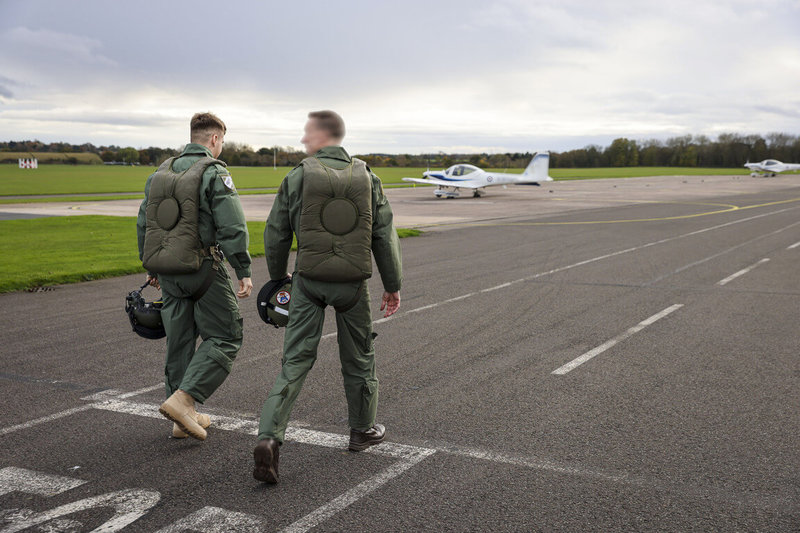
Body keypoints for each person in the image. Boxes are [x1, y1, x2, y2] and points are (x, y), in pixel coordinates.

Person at [254, 110, 402, 484]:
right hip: (353, 284)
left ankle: (270, 436)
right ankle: (362, 430)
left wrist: (277, 279)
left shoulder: (299, 175)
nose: (304, 140)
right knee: (360, 355)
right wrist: (392, 283)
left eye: (308, 133)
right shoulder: (368, 177)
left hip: (308, 281)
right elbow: (383, 235)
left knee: (295, 361)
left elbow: (276, 231)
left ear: (324, 135)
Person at [136, 112, 253, 441]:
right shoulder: (214, 172)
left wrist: (151, 267)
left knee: (180, 342)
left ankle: (180, 419)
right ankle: (184, 401)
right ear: (215, 139)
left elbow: (145, 223)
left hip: (167, 272)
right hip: (202, 269)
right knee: (227, 336)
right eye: (223, 141)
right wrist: (242, 269)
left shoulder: (160, 173)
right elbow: (232, 224)